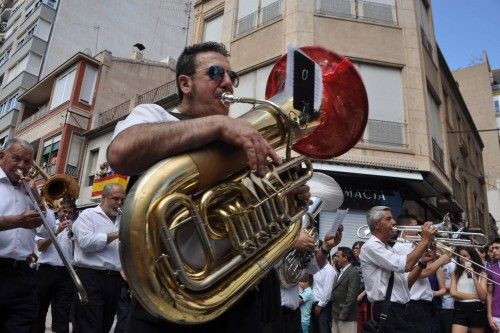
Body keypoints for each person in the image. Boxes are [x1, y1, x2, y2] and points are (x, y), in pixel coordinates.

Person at [107, 41, 310, 333]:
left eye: (232, 76)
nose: (228, 82)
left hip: (238, 302)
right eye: (216, 73)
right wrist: (217, 126)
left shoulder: (243, 139)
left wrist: (284, 199)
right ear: (185, 83)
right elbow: (121, 153)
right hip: (168, 306)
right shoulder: (154, 116)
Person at [359, 206, 437, 333]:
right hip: (388, 310)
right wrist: (425, 240)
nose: (394, 222)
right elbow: (405, 265)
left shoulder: (389, 249)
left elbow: (407, 284)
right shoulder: (371, 246)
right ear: (377, 224)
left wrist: (422, 263)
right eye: (389, 219)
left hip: (401, 310)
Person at [0, 138, 44, 333]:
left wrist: (37, 197)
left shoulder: (30, 190)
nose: (22, 166)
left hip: (22, 273)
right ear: (2, 156)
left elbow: (46, 228)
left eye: (27, 162)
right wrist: (16, 221)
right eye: (16, 159)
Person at [264, 228, 343, 333]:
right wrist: (289, 241)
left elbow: (312, 267)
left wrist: (326, 247)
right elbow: (264, 263)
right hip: (269, 314)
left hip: (293, 314)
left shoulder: (290, 228)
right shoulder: (266, 231)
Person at [72, 183, 125, 333]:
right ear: (103, 198)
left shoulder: (123, 218)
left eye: (122, 200)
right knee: (88, 326)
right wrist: (116, 234)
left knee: (105, 324)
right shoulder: (87, 215)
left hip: (114, 279)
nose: (119, 203)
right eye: (115, 199)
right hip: (90, 277)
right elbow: (85, 243)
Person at [392, 214, 451, 333]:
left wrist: (432, 257)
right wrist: (442, 259)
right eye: (415, 227)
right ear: (405, 228)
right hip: (414, 303)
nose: (420, 230)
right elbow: (422, 273)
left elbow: (425, 269)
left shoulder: (411, 245)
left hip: (422, 303)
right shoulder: (402, 246)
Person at [34, 197, 77, 333]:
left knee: (62, 312)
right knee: (40, 309)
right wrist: (57, 231)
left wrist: (74, 236)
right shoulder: (48, 224)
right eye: (64, 211)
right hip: (46, 271)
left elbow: (79, 252)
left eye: (70, 212)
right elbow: (40, 247)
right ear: (58, 210)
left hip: (66, 272)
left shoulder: (75, 227)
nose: (67, 215)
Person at [450, 246, 487, 333]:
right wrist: (474, 296)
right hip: (460, 309)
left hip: (477, 309)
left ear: (472, 257)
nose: (462, 258)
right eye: (460, 256)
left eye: (465, 256)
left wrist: (473, 275)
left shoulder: (482, 273)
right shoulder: (455, 273)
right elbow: (453, 293)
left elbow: (483, 296)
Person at [331, 247, 361, 333]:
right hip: (336, 314)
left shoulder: (353, 273)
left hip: (346, 317)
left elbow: (352, 296)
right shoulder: (341, 271)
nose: (336, 258)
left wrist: (344, 313)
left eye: (338, 256)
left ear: (345, 258)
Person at [351, 241, 369, 333]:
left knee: (368, 325)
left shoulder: (368, 263)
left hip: (367, 300)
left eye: (357, 248)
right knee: (358, 327)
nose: (355, 250)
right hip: (355, 300)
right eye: (354, 248)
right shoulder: (353, 264)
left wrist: (362, 294)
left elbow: (372, 282)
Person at [487, 239, 500, 333]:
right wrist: (489, 315)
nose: (494, 251)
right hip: (496, 314)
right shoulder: (491, 269)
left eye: (497, 248)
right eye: (492, 249)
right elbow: (489, 293)